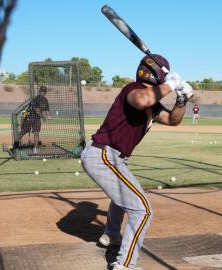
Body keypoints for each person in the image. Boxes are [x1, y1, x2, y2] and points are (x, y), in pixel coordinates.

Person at [80, 54, 192, 270]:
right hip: (104, 155)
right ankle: (125, 265)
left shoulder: (152, 103)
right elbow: (142, 100)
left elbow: (172, 120)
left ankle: (110, 235)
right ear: (159, 74)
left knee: (122, 198)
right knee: (143, 210)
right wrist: (171, 85)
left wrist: (181, 99)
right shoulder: (133, 90)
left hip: (112, 158)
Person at [18, 85, 50, 153]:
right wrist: (43, 117)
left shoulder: (45, 100)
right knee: (24, 132)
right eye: (41, 91)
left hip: (37, 119)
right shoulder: (35, 99)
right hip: (30, 117)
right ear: (39, 92)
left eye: (44, 92)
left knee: (36, 133)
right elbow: (37, 110)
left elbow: (46, 110)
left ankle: (35, 148)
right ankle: (17, 143)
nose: (43, 93)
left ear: (45, 92)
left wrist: (48, 115)